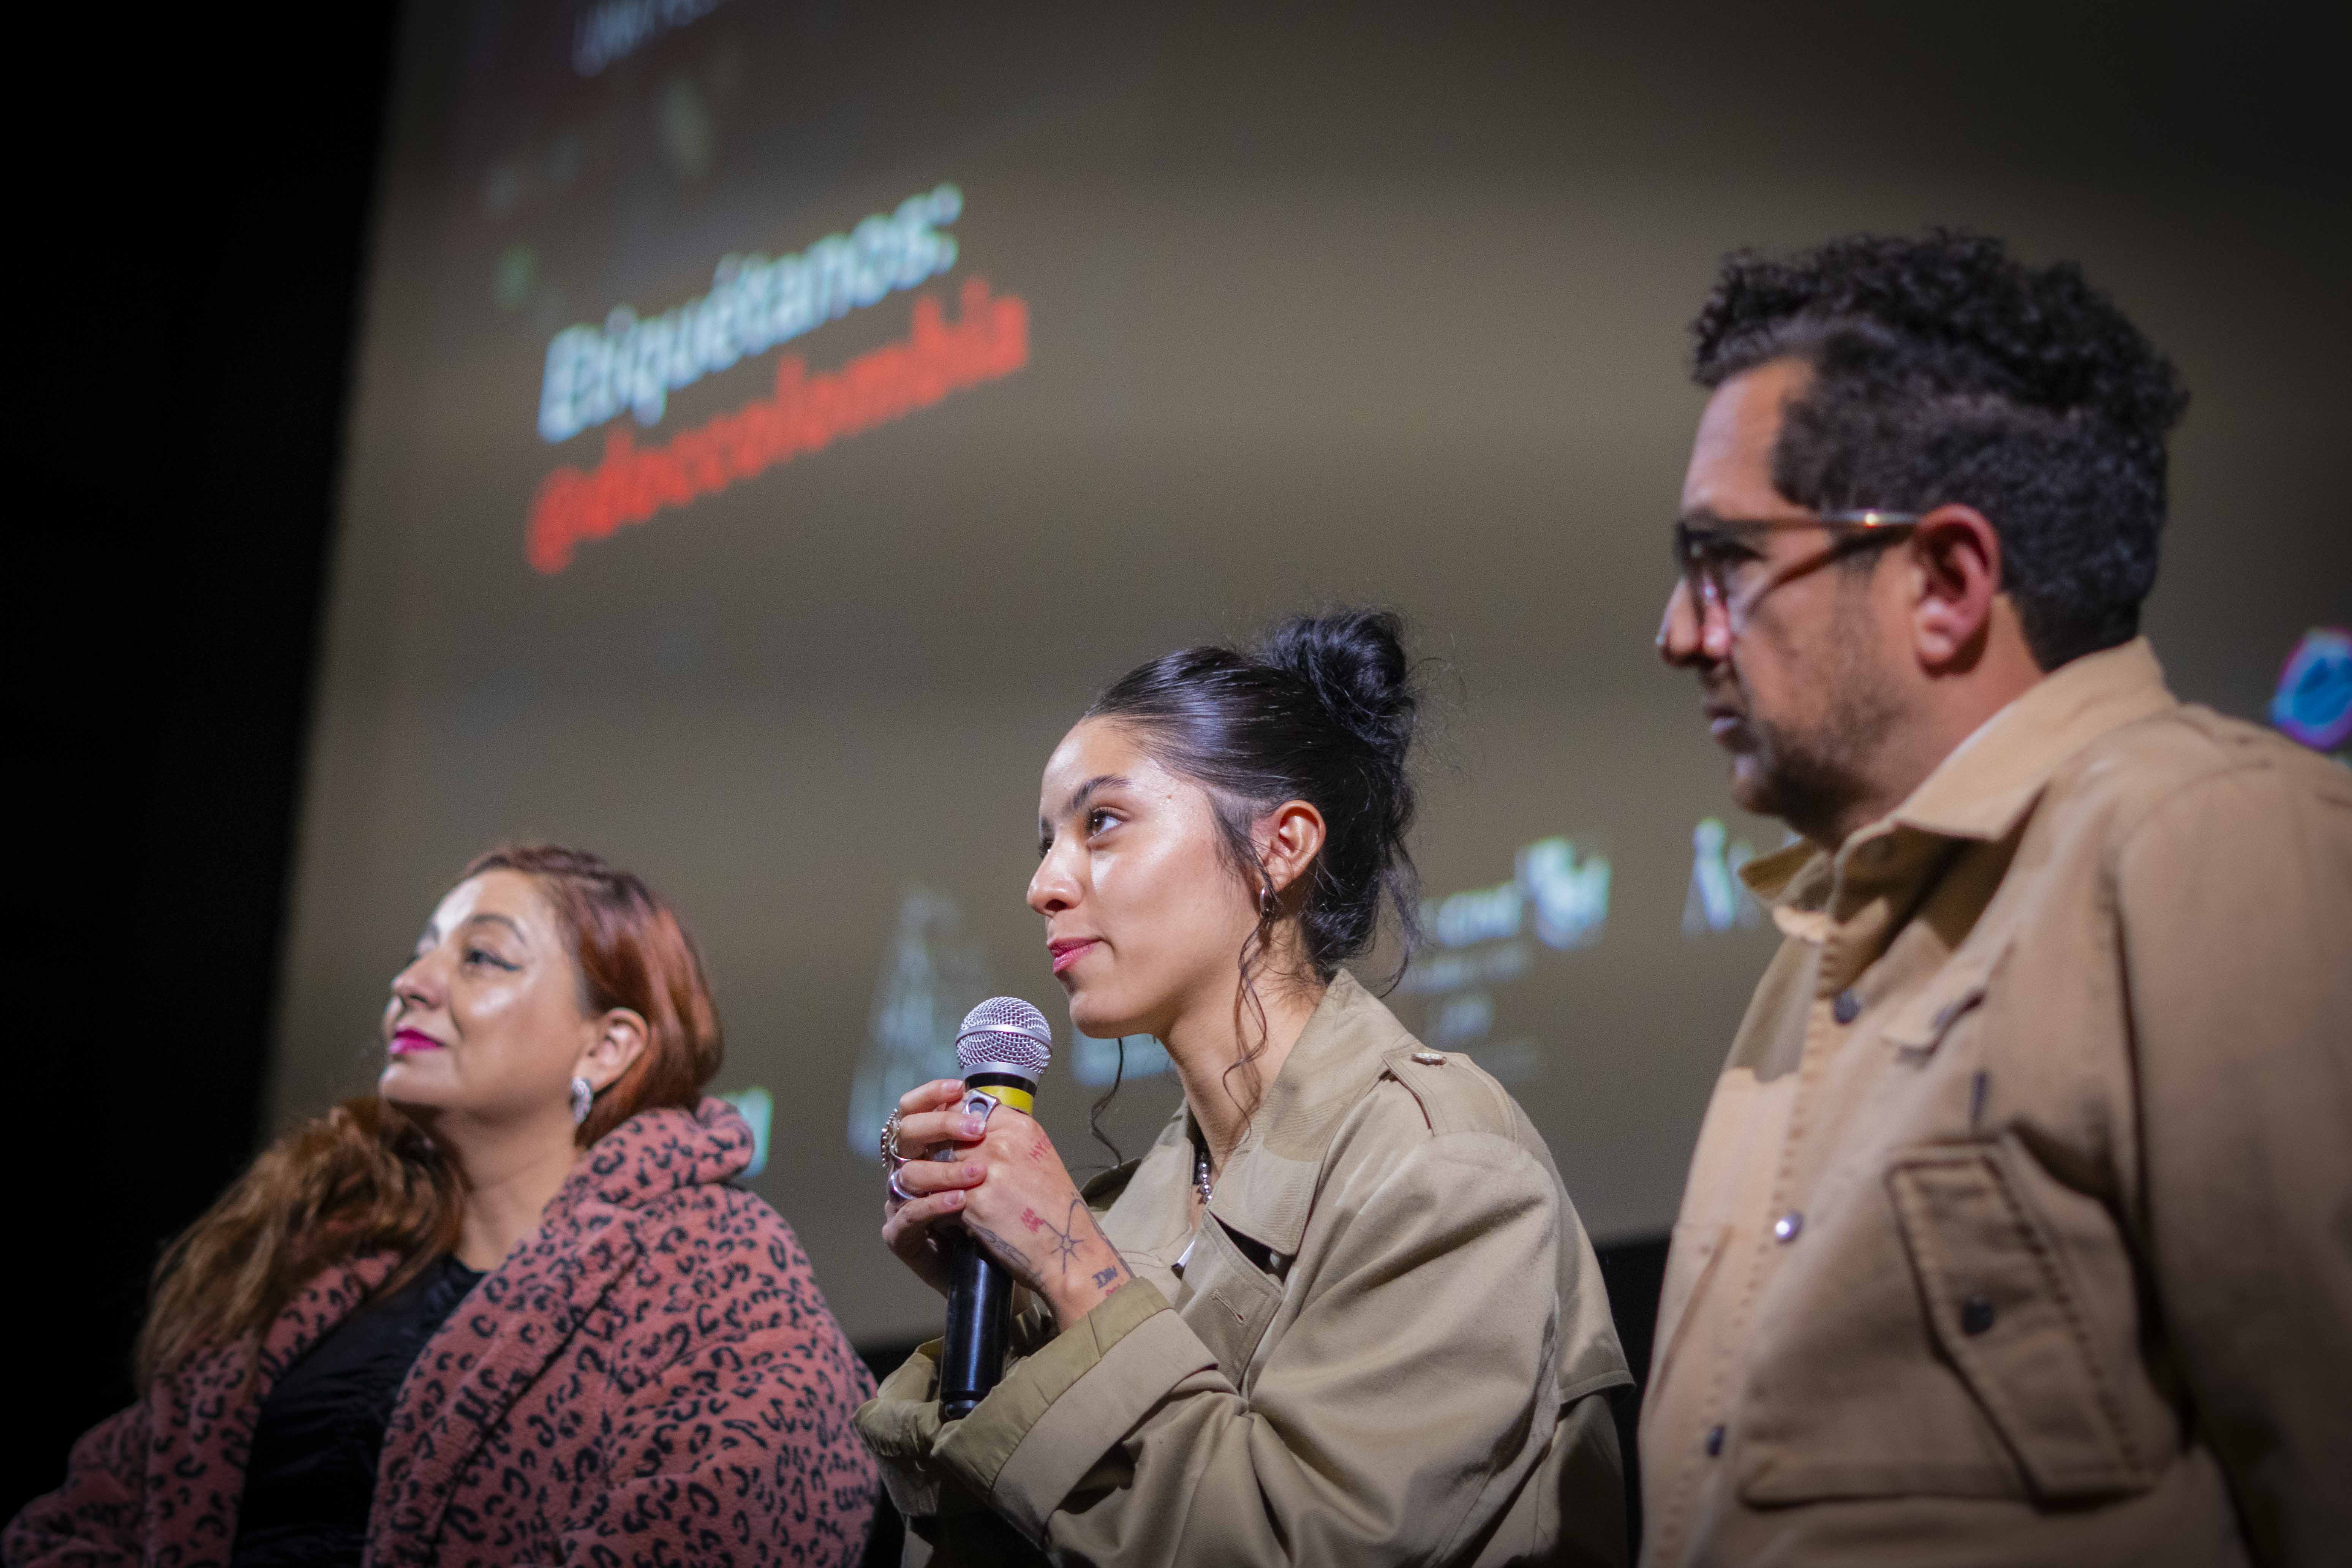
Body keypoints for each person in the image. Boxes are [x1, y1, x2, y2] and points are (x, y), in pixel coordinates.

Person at [1643, 231, 2352, 1565]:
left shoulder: (2211, 846)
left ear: (1946, 583)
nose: (1680, 634)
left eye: (1724, 560)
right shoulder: (1829, 937)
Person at [856, 609, 1632, 1566]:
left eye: (1102, 823)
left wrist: (1069, 1265)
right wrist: (992, 1297)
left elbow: (1303, 1544)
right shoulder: (1131, 1210)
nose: (1045, 885)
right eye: (1046, 842)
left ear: (1281, 847)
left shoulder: (1446, 1165)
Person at [6, 845, 879, 1568]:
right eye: (420, 952)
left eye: (482, 957)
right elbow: (82, 1524)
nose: (412, 983)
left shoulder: (715, 1257)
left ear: (607, 1046)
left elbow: (735, 1524)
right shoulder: (315, 1272)